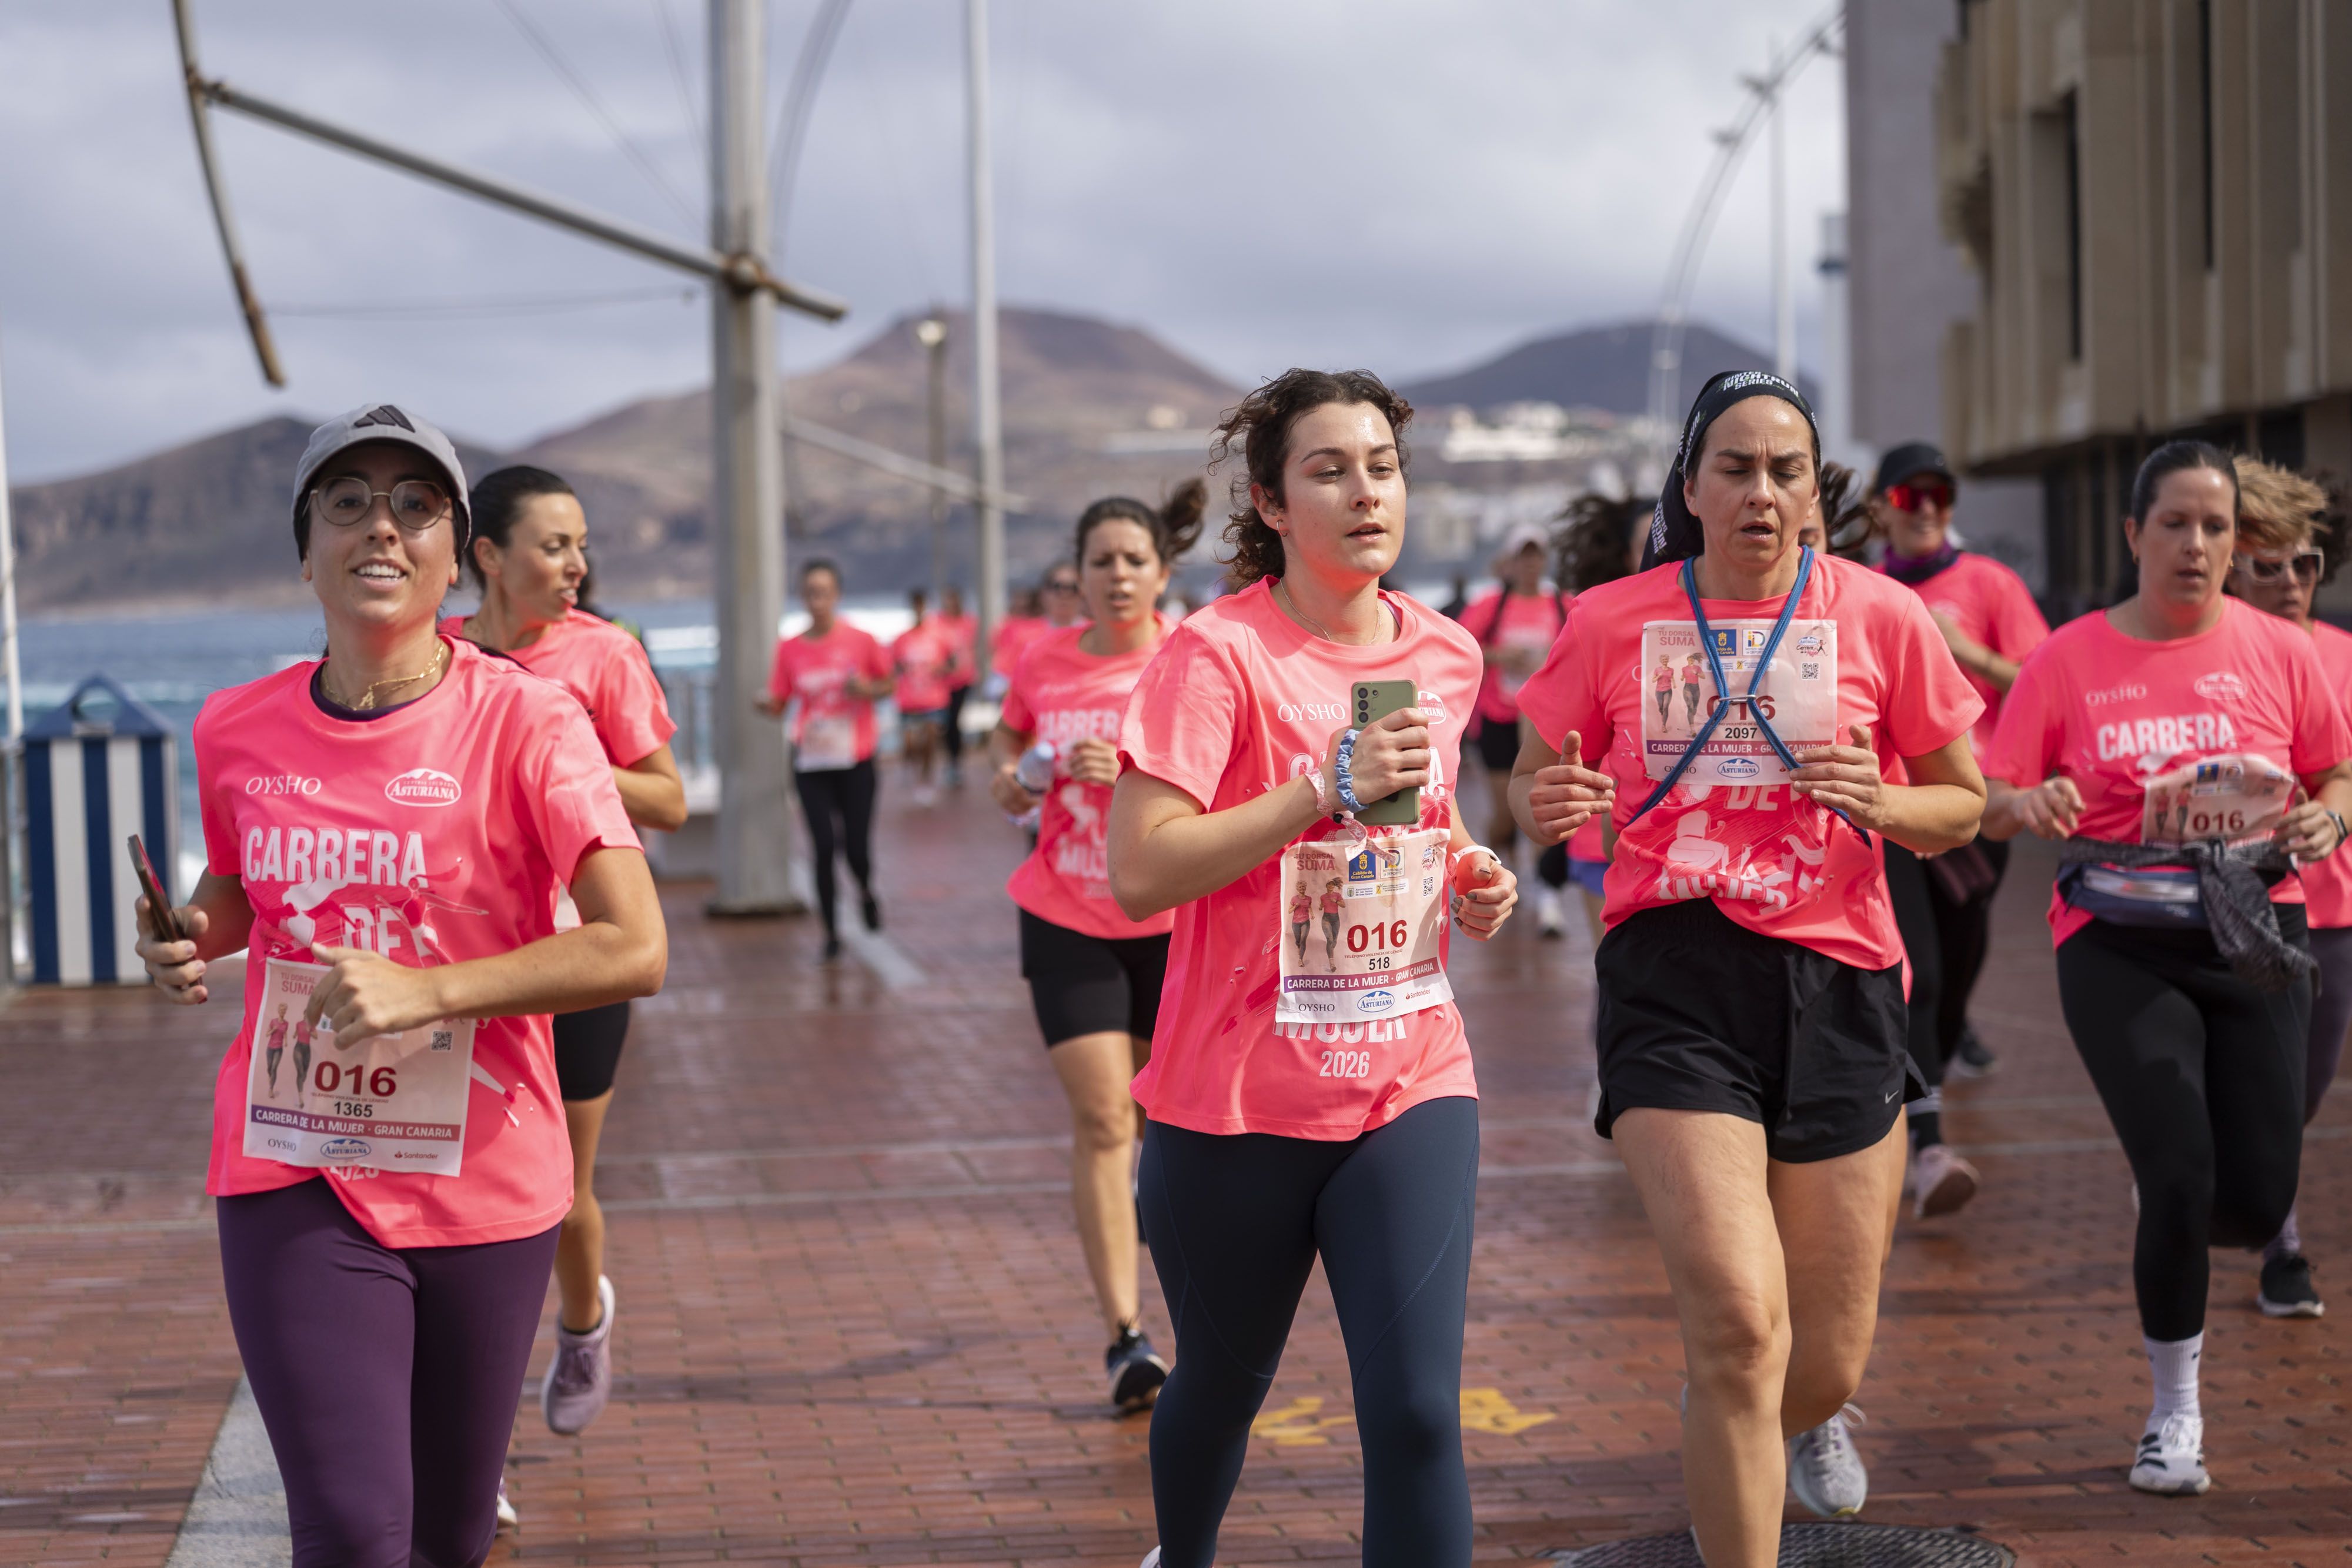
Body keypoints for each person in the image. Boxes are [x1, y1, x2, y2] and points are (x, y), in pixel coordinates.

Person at [135, 404, 667, 1568]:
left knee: (448, 1533)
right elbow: (240, 890)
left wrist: (430, 990)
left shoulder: (531, 720)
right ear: (306, 543)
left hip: (483, 1168)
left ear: (457, 550)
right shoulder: (235, 727)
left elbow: (634, 945)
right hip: (296, 1157)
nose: (382, 526)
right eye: (349, 502)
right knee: (355, 1534)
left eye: (416, 504)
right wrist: (191, 930)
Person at [1511, 370, 1987, 1562]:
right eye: (1734, 465)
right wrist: (1546, 799)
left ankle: (1737, 1443)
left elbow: (1961, 806)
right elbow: (1530, 779)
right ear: (1691, 488)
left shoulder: (1879, 615)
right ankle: (1733, 1487)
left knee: (1816, 1363)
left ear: (1811, 493)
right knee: (1732, 1320)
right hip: (1673, 979)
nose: (1760, 491)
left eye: (1784, 469)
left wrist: (1878, 796)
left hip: (1838, 982)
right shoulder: (1610, 620)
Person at [1108, 368, 1518, 1568]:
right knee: (1218, 1393)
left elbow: (1420, 821)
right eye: (1328, 469)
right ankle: (1179, 1557)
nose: (1362, 490)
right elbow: (1142, 870)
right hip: (1236, 1099)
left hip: (1407, 1074)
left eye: (1380, 465)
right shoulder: (1213, 655)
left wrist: (1467, 873)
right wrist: (1311, 786)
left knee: (1412, 1413)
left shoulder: (1445, 654)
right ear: (1272, 503)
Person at [1980, 440, 2352, 1496]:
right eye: (2177, 523)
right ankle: (2173, 1415)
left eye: (2218, 527)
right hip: (2117, 937)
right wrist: (2028, 805)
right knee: (2182, 1171)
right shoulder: (2069, 658)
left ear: (2239, 543)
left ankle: (2183, 1199)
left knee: (2259, 1192)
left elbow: (2336, 763)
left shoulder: (2279, 649)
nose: (2198, 545)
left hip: (2256, 932)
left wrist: (2332, 813)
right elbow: (1992, 792)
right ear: (2133, 533)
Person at [449, 464, 689, 1441]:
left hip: (583, 956)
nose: (577, 565)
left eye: (582, 545)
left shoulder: (607, 656)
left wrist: (564, 757)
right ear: (489, 556)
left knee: (559, 1189)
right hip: (470, 956)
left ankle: (583, 1320)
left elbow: (669, 798)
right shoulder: (439, 656)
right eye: (554, 546)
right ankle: (475, 1447)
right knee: (461, 1197)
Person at [988, 480, 1207, 1414]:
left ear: (1162, 571)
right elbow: (1001, 779)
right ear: (1074, 576)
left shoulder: (1194, 658)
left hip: (1174, 921)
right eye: (1099, 561)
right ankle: (1127, 1336)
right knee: (1105, 1122)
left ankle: (1190, 1290)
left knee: (1172, 1130)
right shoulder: (1044, 665)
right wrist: (1033, 770)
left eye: (1133, 559)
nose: (1116, 575)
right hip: (1065, 913)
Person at [1865, 442, 2052, 1216]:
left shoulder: (1989, 583)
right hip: (1899, 807)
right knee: (1922, 970)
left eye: (1941, 494)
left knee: (1960, 959)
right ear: (1881, 506)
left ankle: (1939, 1044)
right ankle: (1929, 1140)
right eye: (1910, 496)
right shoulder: (1862, 589)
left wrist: (1967, 652)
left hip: (1982, 799)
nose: (1928, 509)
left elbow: (2046, 684)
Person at [2223, 457, 2352, 1317]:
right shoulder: (2214, 653)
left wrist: (2334, 815)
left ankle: (2230, 1181)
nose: (2292, 581)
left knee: (2301, 1091)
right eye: (2270, 565)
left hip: (2335, 907)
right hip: (2236, 902)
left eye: (2306, 564)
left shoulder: (2341, 655)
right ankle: (2283, 1245)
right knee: (2256, 1085)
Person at [759, 560, 891, 961]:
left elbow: (889, 684)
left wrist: (866, 687)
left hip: (856, 758)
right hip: (811, 761)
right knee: (822, 846)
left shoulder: (862, 640)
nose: (817, 600)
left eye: (824, 592)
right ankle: (831, 932)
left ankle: (866, 890)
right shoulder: (790, 648)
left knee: (855, 847)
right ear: (803, 596)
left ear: (837, 595)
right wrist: (764, 704)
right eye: (810, 592)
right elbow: (780, 700)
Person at [1460, 522, 1575, 935]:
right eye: (1523, 556)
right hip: (1498, 716)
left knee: (1540, 806)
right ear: (1511, 562)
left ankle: (1543, 889)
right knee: (1506, 814)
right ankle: (1498, 874)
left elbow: (1584, 649)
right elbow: (1462, 647)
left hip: (1543, 721)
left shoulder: (1563, 604)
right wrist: (1499, 654)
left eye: (1537, 555)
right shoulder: (1491, 604)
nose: (1531, 564)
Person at [892, 587, 955, 805]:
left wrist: (942, 669)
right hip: (908, 699)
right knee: (910, 744)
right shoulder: (901, 639)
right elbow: (893, 666)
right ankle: (910, 767)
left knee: (930, 740)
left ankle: (926, 781)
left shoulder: (939, 636)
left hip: (934, 698)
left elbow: (952, 663)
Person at [936, 584, 978, 787]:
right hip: (943, 682)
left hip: (963, 679)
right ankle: (950, 761)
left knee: (954, 721)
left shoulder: (969, 622)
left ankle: (955, 764)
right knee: (946, 724)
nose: (949, 604)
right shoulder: (937, 622)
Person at [987, 584, 1049, 699]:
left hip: (1029, 677)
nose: (1020, 604)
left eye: (1024, 601)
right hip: (1005, 676)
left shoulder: (1042, 624)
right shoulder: (1006, 623)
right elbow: (994, 646)